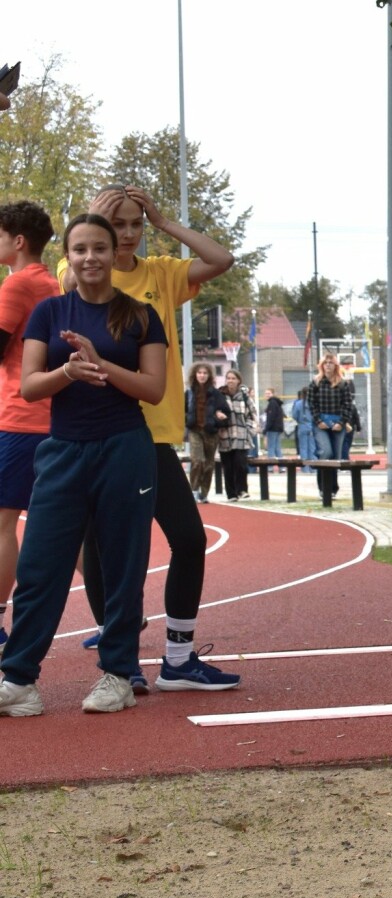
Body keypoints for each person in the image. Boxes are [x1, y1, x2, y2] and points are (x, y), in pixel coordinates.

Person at [61, 185, 240, 693]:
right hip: (99, 428)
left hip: (154, 433)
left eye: (135, 225)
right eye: (116, 225)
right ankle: (120, 662)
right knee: (102, 546)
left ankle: (179, 658)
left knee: (188, 539)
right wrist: (94, 218)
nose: (126, 235)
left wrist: (164, 222)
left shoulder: (160, 272)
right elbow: (70, 278)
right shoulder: (79, 271)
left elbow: (220, 258)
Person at [0, 213, 166, 716]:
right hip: (62, 450)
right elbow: (29, 385)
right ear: (67, 256)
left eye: (99, 248)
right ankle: (19, 681)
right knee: (39, 567)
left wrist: (101, 363)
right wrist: (68, 371)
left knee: (121, 565)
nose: (89, 258)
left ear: (115, 254)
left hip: (124, 449)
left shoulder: (140, 315)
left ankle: (117, 674)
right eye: (80, 250)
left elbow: (153, 390)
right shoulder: (49, 313)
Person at [0, 201, 61, 648]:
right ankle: (111, 609)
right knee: (67, 524)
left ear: (17, 240)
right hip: (51, 419)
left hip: (19, 419)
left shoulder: (18, 286)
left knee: (2, 524)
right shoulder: (51, 283)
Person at [307, 354, 355, 499]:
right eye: (325, 363)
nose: (328, 365)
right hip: (321, 422)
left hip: (337, 422)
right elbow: (311, 404)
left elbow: (347, 404)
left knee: (335, 457)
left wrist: (341, 423)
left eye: (331, 363)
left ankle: (333, 488)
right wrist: (317, 421)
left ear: (336, 366)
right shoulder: (316, 383)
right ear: (321, 365)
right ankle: (323, 487)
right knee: (325, 453)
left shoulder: (343, 383)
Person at [183, 363, 228, 503]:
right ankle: (193, 490)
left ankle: (204, 493)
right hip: (194, 430)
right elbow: (182, 410)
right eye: (199, 373)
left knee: (208, 464)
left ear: (209, 376)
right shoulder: (189, 393)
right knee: (198, 461)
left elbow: (225, 411)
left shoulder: (216, 394)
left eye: (205, 373)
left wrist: (219, 418)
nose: (202, 375)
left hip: (211, 431)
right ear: (194, 375)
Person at [217, 369, 254, 500]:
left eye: (233, 378)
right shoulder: (220, 395)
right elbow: (213, 410)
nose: (231, 381)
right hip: (225, 435)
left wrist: (249, 428)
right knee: (228, 466)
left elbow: (252, 414)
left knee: (240, 464)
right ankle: (231, 493)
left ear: (238, 380)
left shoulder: (244, 396)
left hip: (241, 435)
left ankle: (242, 490)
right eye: (228, 378)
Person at [293, 385, 316, 471]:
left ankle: (305, 468)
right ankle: (313, 468)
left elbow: (294, 415)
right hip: (312, 426)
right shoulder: (313, 403)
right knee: (312, 448)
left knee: (303, 448)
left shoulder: (298, 404)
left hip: (302, 426)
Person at [262, 388, 285, 461]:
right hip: (278, 428)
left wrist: (266, 429)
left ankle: (270, 466)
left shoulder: (272, 403)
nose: (267, 395)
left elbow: (271, 418)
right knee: (277, 447)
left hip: (273, 428)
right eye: (266, 393)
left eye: (269, 393)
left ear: (273, 394)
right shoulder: (277, 403)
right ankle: (282, 466)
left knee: (271, 447)